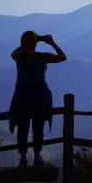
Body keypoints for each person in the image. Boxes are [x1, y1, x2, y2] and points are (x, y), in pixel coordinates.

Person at [9, 31, 67, 167]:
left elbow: (16, 50)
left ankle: (23, 157)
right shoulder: (43, 57)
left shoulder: (18, 57)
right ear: (35, 43)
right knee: (38, 126)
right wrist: (50, 42)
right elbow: (63, 57)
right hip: (39, 93)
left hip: (22, 94)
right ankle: (37, 156)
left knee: (23, 126)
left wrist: (35, 39)